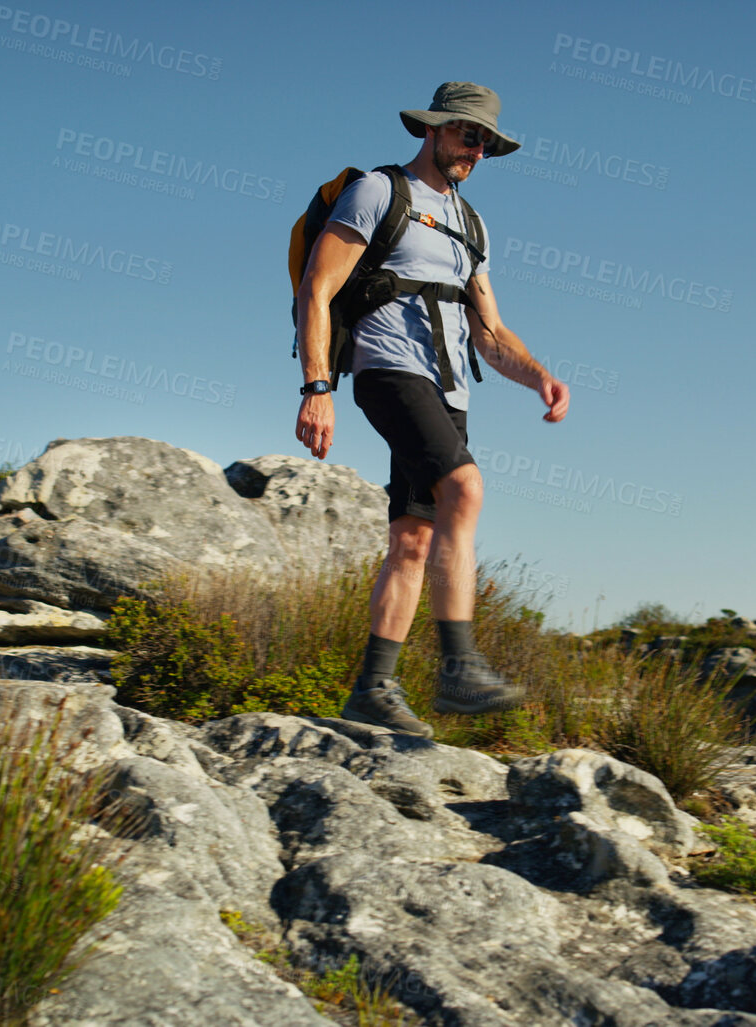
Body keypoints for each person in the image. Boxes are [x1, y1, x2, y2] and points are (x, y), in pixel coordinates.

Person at [293, 82, 570, 738]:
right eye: (465, 133)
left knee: (412, 539)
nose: (474, 148)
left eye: (484, 141)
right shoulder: (379, 192)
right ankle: (459, 667)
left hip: (450, 392)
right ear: (433, 130)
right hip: (387, 370)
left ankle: (370, 690)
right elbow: (318, 286)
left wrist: (539, 378)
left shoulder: (471, 225)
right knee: (464, 488)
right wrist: (316, 386)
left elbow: (491, 334)